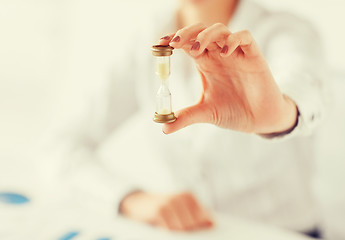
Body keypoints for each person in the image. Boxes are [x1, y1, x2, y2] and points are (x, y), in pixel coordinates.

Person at [41, 0, 326, 237]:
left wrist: (281, 113)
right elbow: (60, 145)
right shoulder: (147, 37)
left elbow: (303, 87)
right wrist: (132, 199)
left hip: (285, 233)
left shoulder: (286, 32)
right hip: (197, 233)